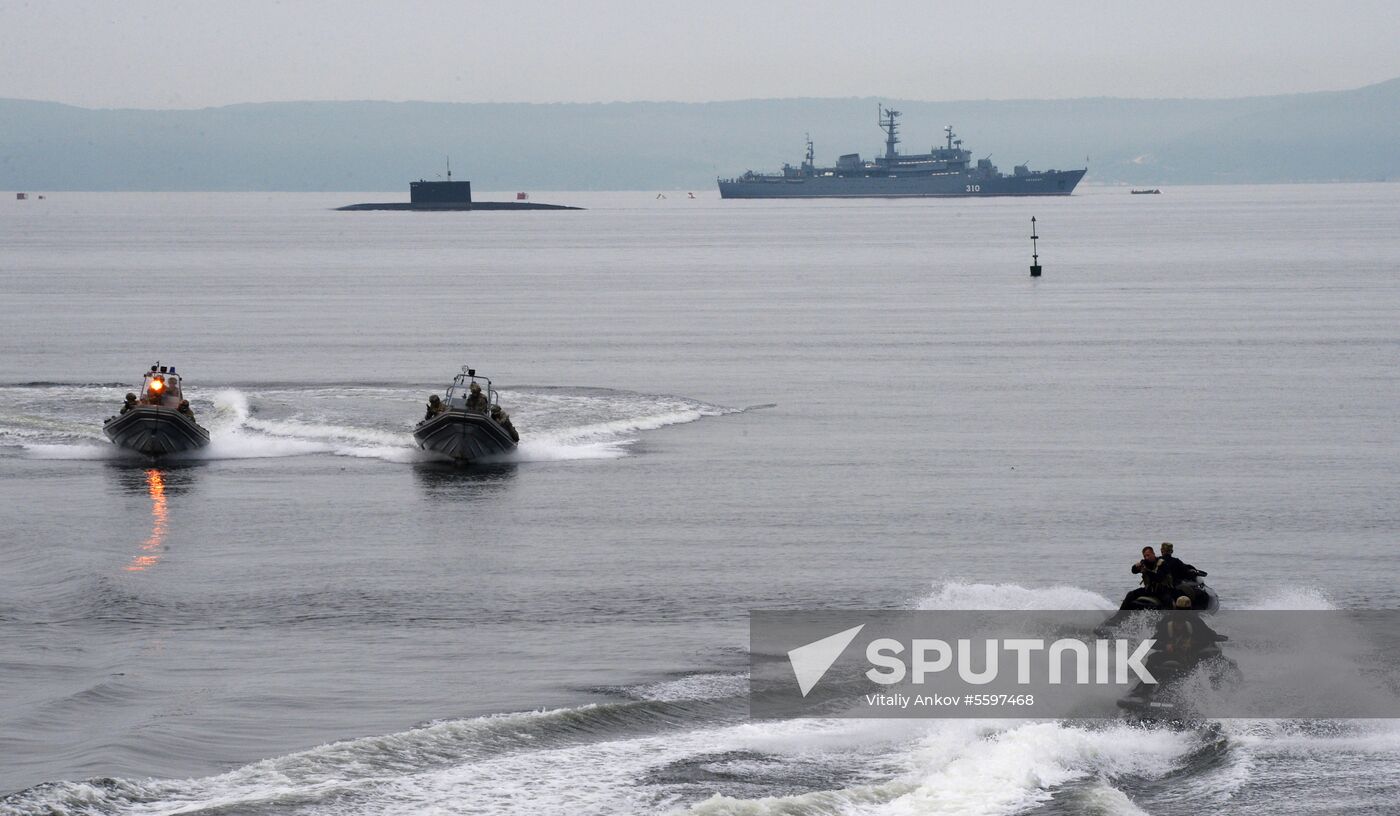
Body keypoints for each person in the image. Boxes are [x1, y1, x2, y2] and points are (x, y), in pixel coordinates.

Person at [1121, 546, 1175, 610]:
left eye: (1148, 555)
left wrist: (1146, 571)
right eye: (1145, 556)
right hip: (1149, 589)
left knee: (1168, 603)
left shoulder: (1162, 564)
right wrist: (1136, 567)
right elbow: (1133, 571)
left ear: (1153, 554)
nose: (1146, 557)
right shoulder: (1144, 562)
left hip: (1162, 590)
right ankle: (1119, 615)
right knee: (1130, 594)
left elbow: (1159, 578)